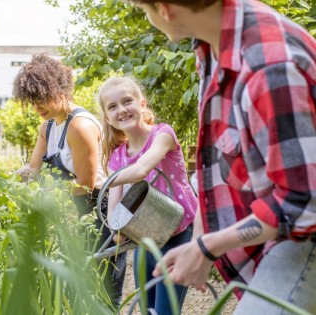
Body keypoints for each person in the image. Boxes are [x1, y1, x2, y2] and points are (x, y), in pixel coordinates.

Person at [124, 0, 316, 314]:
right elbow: (213, 162)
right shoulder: (214, 44)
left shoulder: (269, 66)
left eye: (145, 10)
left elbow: (304, 202)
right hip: (279, 231)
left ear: (163, 9)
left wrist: (207, 247)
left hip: (303, 235)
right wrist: (198, 244)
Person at [12, 54, 127, 308]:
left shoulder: (80, 126)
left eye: (41, 98)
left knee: (104, 293)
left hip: (101, 213)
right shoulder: (48, 127)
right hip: (75, 212)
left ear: (58, 89)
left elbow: (85, 183)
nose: (37, 107)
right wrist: (12, 181)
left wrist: (49, 198)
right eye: (32, 102)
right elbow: (34, 169)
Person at [97, 76, 198, 314]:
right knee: (147, 310)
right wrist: (117, 230)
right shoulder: (117, 158)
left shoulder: (163, 135)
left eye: (127, 101)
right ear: (107, 117)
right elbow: (114, 219)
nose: (121, 110)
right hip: (146, 241)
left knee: (165, 312)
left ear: (142, 104)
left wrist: (107, 181)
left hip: (178, 234)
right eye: (112, 107)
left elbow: (141, 170)